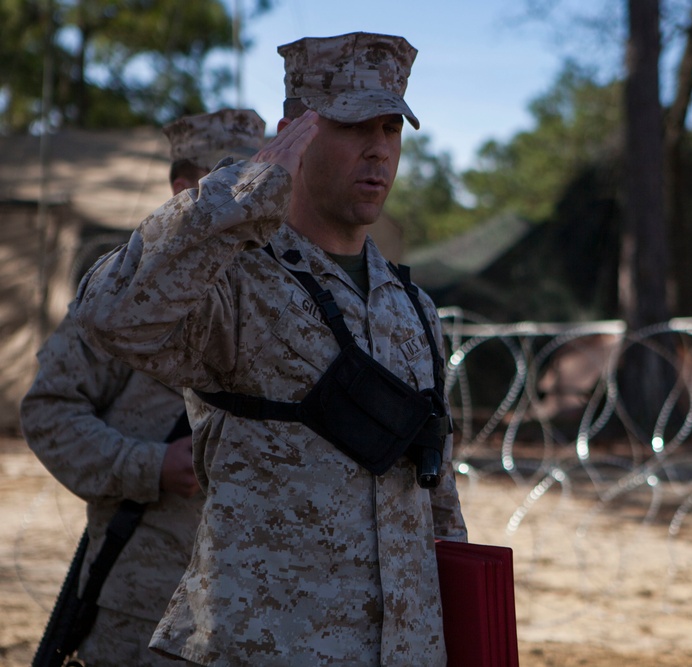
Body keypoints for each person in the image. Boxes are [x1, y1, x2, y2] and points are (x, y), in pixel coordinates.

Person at [73, 32, 468, 665]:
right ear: (295, 136)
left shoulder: (411, 305)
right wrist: (242, 193)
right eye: (352, 125)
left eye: (391, 127)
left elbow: (437, 495)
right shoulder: (234, 283)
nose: (377, 149)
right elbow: (108, 316)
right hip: (262, 644)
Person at [20, 108, 267, 667]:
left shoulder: (287, 295)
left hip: (258, 612)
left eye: (257, 178)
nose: (249, 196)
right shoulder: (127, 301)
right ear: (185, 187)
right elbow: (48, 414)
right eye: (229, 178)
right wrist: (151, 466)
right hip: (145, 610)